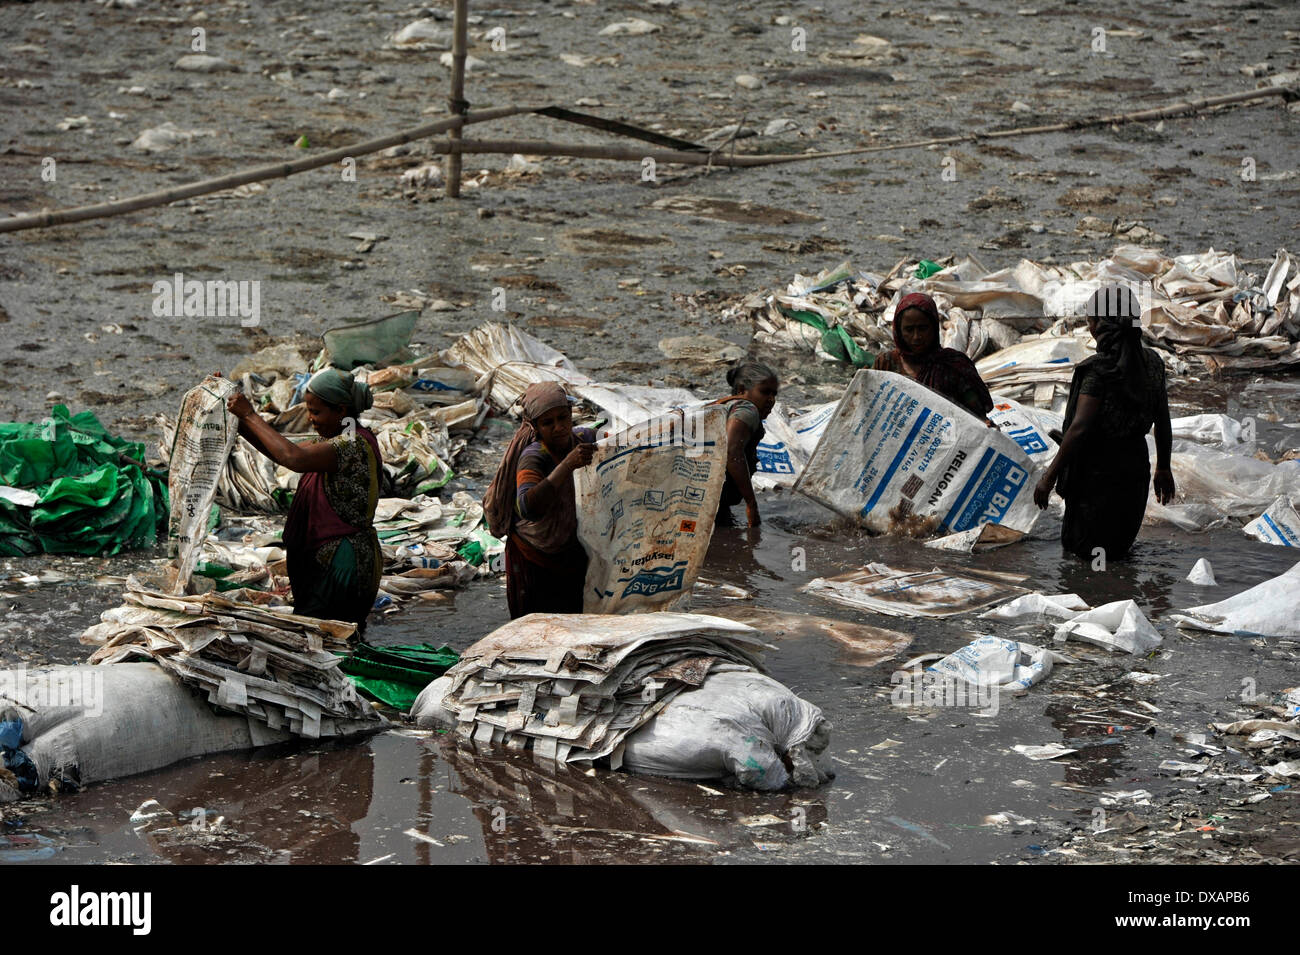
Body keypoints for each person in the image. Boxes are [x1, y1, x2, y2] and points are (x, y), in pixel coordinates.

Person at [226, 368, 383, 632]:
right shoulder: (334, 440)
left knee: (332, 639)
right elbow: (281, 451)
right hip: (327, 562)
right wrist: (238, 419)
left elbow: (294, 458)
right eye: (308, 410)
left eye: (317, 411)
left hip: (342, 564)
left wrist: (250, 414)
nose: (310, 418)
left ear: (341, 410)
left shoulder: (351, 445)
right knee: (322, 639)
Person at [1033, 285, 1175, 561]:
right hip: (1133, 472)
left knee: (1082, 554)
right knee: (1117, 550)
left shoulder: (1098, 371)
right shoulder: (1153, 364)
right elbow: (1163, 418)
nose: (1089, 327)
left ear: (1099, 324)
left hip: (1096, 478)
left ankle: (1093, 599)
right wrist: (1164, 467)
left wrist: (1048, 478)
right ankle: (1118, 596)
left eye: (1089, 320)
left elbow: (1080, 428)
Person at [484, 382, 596, 618]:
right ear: (535, 426)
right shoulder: (535, 455)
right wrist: (566, 466)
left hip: (569, 550)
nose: (559, 427)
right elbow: (527, 507)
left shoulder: (582, 439)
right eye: (548, 423)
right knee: (536, 628)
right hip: (533, 555)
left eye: (563, 417)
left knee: (574, 624)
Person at [874, 292, 995, 422]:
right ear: (898, 330)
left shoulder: (953, 366)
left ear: (933, 327)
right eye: (909, 330)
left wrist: (984, 422)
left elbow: (977, 415)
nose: (916, 337)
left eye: (923, 328)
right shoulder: (886, 364)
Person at [712, 360, 779, 527]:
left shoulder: (721, 405)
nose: (771, 400)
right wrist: (751, 503)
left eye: (774, 394)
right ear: (742, 390)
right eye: (765, 392)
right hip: (710, 498)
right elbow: (732, 451)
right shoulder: (747, 409)